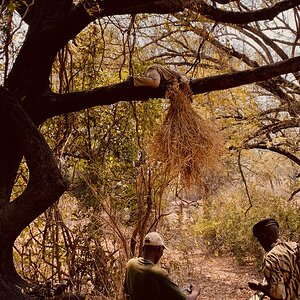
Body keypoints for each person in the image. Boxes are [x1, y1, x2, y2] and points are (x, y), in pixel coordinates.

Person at [124, 232, 201, 300]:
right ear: (159, 250)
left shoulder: (131, 264)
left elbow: (126, 291)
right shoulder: (159, 274)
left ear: (143, 248)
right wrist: (196, 291)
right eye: (162, 250)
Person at [248, 218, 300, 300]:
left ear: (263, 236)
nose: (260, 243)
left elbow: (278, 296)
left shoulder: (271, 257)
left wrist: (258, 286)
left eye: (259, 240)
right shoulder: (295, 246)